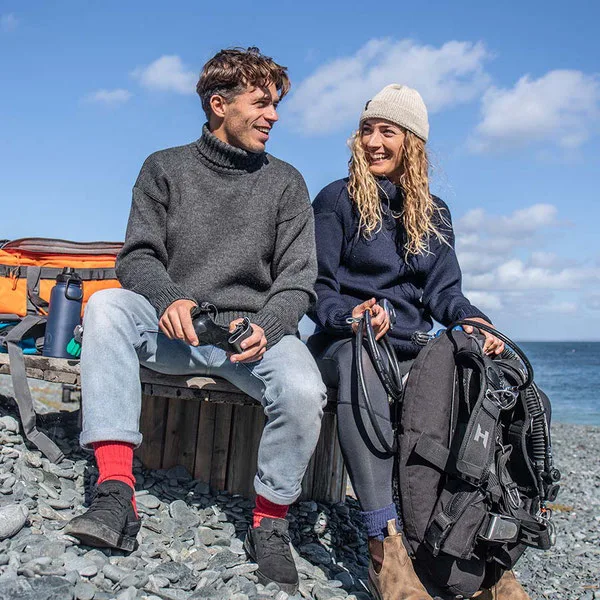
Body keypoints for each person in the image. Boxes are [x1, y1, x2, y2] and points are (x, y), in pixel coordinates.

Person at [65, 47, 327, 594]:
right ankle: (116, 492)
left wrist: (271, 326)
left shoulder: (287, 182)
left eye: (275, 104)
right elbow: (137, 256)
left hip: (249, 339)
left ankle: (269, 520)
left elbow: (298, 280)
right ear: (218, 105)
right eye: (261, 103)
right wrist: (168, 298)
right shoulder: (163, 167)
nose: (273, 115)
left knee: (304, 390)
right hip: (175, 328)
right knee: (106, 307)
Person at [308, 84, 529, 600]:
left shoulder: (434, 212)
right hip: (343, 344)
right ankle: (383, 545)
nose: (374, 142)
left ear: (413, 143)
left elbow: (445, 294)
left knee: (475, 385)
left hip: (409, 348)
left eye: (388, 131)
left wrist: (475, 323)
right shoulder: (335, 200)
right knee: (365, 360)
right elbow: (315, 289)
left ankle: (477, 556)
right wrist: (351, 313)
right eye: (368, 129)